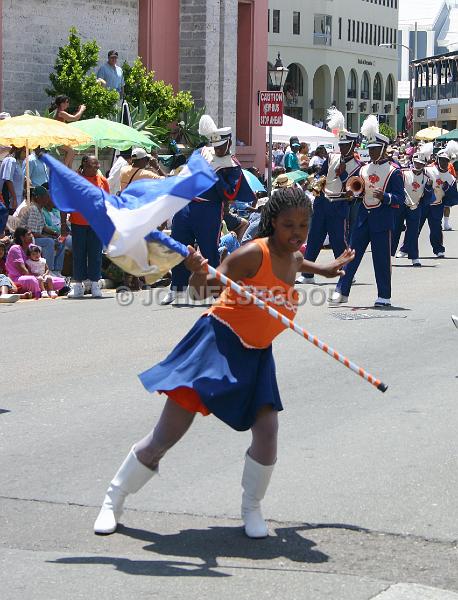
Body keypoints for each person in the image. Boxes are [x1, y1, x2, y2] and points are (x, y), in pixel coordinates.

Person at [93, 186, 354, 537]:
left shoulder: (293, 256)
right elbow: (204, 291)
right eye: (289, 225)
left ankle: (252, 508)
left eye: (304, 225)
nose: (297, 233)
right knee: (165, 436)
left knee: (268, 430)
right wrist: (198, 271)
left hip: (257, 355)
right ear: (272, 222)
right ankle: (114, 498)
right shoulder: (251, 254)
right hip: (217, 345)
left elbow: (296, 262)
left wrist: (322, 270)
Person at [161, 114, 253, 306]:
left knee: (210, 250)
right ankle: (177, 288)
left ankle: (215, 291)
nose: (217, 150)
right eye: (215, 146)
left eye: (221, 147)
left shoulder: (232, 165)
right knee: (180, 246)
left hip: (209, 208)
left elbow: (230, 193)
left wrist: (215, 174)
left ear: (228, 144)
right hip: (186, 205)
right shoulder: (203, 151)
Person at [329, 116, 404, 307]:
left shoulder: (394, 171)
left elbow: (400, 199)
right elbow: (354, 187)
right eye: (369, 149)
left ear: (383, 149)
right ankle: (341, 290)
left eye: (374, 150)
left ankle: (384, 296)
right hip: (363, 218)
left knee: (381, 260)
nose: (370, 153)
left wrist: (385, 197)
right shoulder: (363, 169)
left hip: (382, 219)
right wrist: (351, 191)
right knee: (351, 256)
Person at [298, 110, 360, 285]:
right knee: (315, 237)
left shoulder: (356, 165)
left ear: (353, 146)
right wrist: (317, 181)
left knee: (338, 240)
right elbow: (322, 173)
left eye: (346, 145)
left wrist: (342, 175)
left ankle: (347, 272)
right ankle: (307, 274)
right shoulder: (332, 156)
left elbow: (353, 187)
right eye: (341, 144)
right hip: (322, 201)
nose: (343, 148)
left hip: (339, 204)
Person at [65, 155, 107, 298]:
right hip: (78, 223)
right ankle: (78, 286)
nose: (96, 169)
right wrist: (63, 224)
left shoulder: (102, 181)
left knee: (95, 254)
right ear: (84, 165)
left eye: (97, 166)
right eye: (93, 166)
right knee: (79, 255)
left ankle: (95, 284)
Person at [393, 148, 433, 267]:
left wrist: (428, 187)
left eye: (420, 163)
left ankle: (414, 257)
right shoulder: (403, 172)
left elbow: (427, 197)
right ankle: (388, 255)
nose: (418, 165)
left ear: (424, 165)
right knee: (395, 230)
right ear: (413, 162)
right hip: (401, 205)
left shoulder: (427, 178)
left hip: (415, 206)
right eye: (416, 162)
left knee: (413, 232)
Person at [419, 143, 458, 258]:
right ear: (437, 160)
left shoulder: (451, 178)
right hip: (423, 203)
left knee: (436, 228)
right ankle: (406, 248)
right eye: (442, 160)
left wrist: (447, 188)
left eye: (446, 160)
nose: (444, 163)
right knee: (415, 227)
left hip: (437, 205)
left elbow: (454, 196)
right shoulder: (427, 169)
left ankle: (438, 249)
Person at [5, 227, 65, 299]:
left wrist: (43, 277)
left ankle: (43, 289)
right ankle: (43, 290)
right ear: (22, 237)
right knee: (32, 280)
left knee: (61, 281)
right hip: (18, 278)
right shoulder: (15, 248)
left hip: (38, 277)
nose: (32, 236)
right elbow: (24, 271)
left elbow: (42, 264)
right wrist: (39, 279)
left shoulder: (33, 247)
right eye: (29, 234)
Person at [18, 185, 65, 275]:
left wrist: (55, 234)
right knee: (49, 242)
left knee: (61, 240)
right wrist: (50, 238)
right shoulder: (33, 209)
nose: (48, 199)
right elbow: (32, 233)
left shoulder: (39, 209)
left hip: (36, 237)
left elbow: (43, 227)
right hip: (27, 239)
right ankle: (49, 270)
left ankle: (57, 270)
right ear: (38, 198)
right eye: (46, 197)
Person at [53, 95, 86, 167]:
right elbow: (74, 118)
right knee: (71, 151)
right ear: (62, 103)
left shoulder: (58, 112)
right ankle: (64, 170)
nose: (68, 104)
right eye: (67, 102)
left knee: (72, 151)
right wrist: (81, 110)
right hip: (57, 138)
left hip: (59, 137)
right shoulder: (61, 112)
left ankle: (69, 169)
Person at [0, 146, 26, 213]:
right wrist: (14, 199)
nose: (26, 154)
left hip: (16, 199)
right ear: (18, 151)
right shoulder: (10, 160)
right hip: (10, 200)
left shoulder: (16, 162)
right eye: (25, 152)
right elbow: (8, 179)